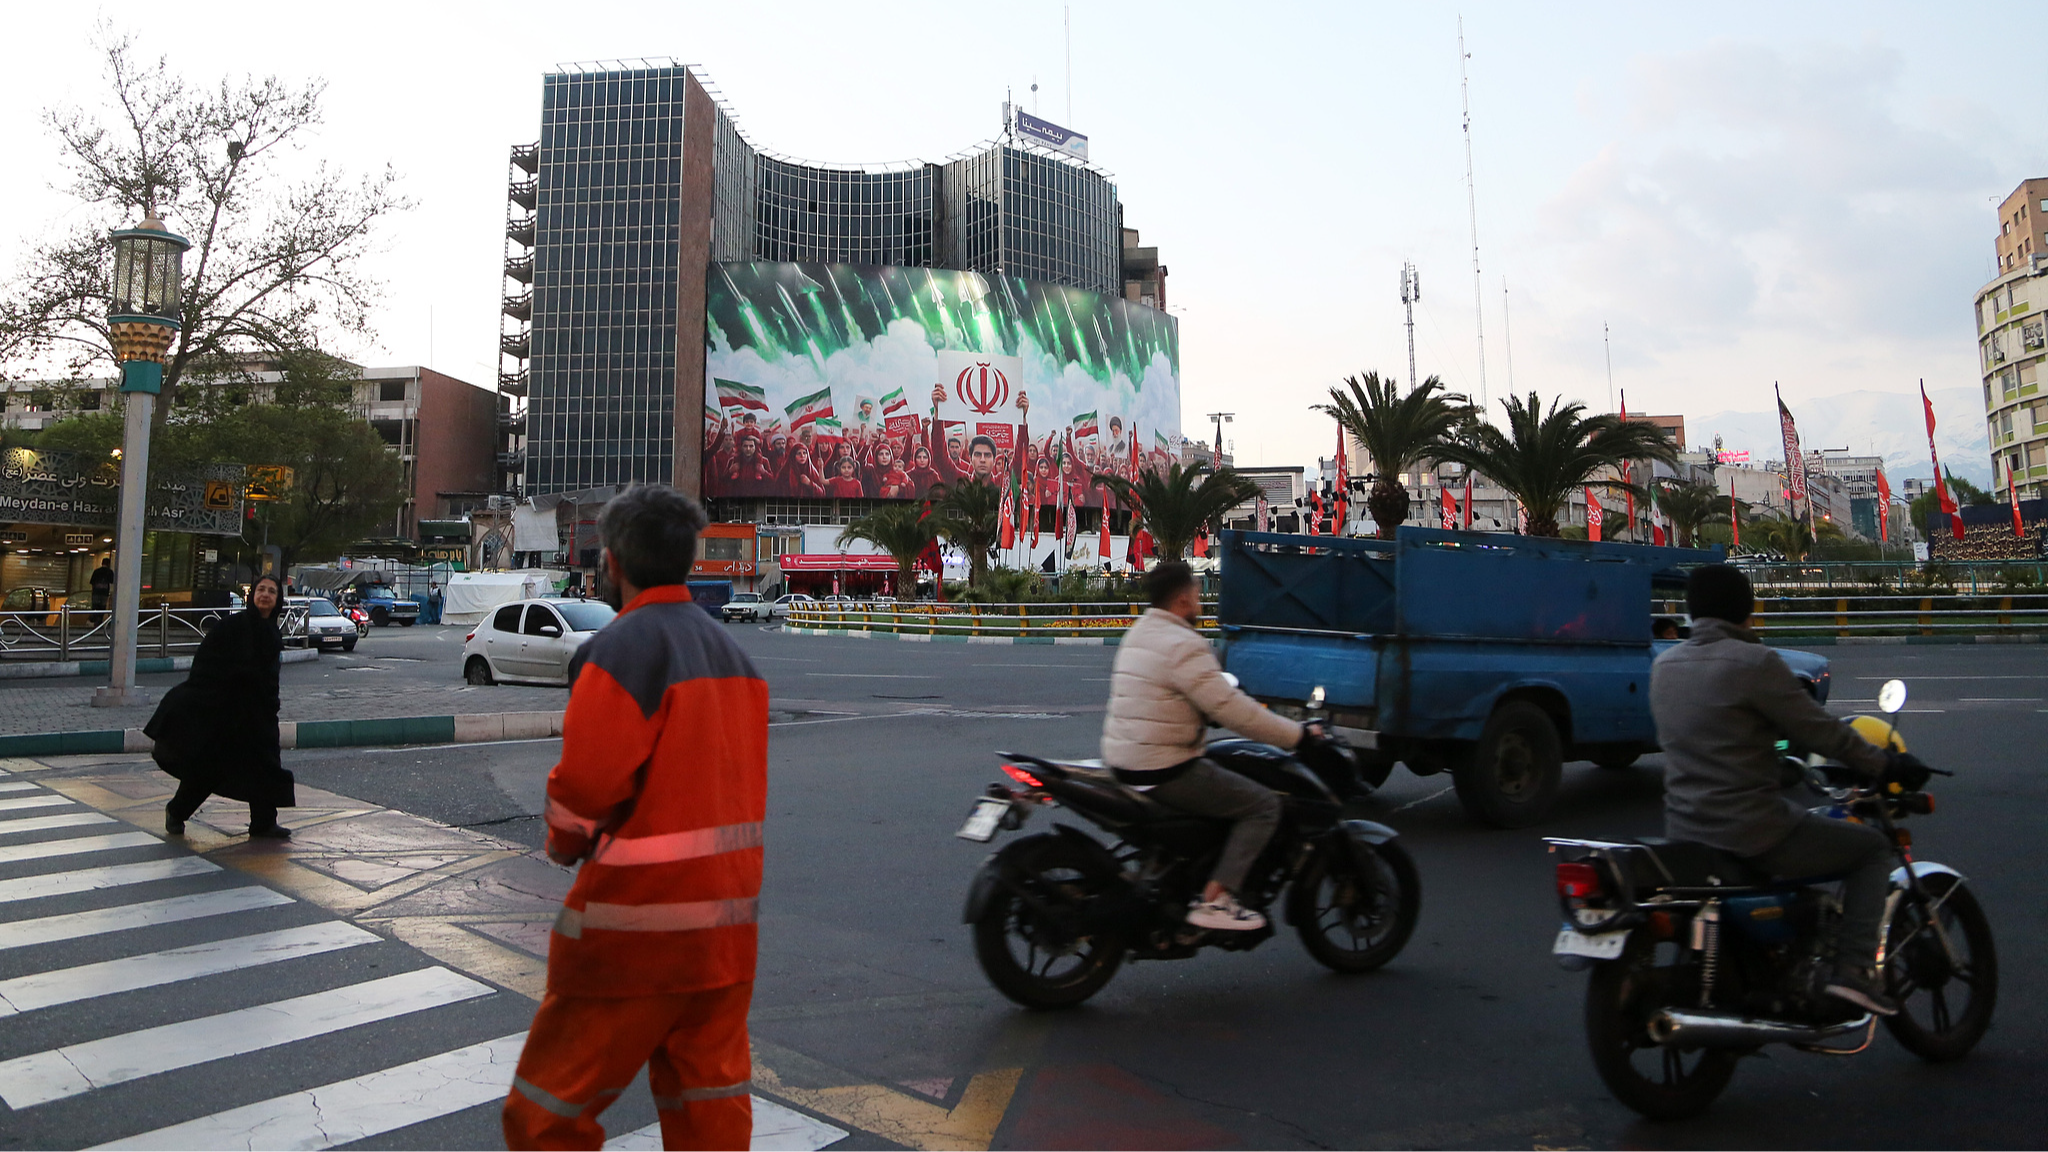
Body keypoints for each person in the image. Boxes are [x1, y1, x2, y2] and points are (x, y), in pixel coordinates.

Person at [504, 484, 768, 1152]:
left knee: (546, 1116)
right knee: (708, 1112)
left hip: (634, 933)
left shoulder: (618, 652)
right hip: (725, 932)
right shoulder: (738, 659)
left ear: (613, 562)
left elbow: (584, 787)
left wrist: (563, 842)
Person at [1650, 564, 1929, 1018]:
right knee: (1873, 850)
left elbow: (1711, 742)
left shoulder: (1665, 665)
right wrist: (1885, 762)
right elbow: (1820, 730)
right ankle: (1854, 972)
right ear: (1747, 610)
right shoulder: (1756, 663)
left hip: (1685, 831)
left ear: (1692, 611)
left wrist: (1776, 767)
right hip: (1752, 831)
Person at [1099, 560, 1310, 931]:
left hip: (1122, 759)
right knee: (1263, 805)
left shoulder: (1141, 631)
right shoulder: (1184, 644)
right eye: (1197, 593)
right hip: (1163, 767)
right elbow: (1235, 712)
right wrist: (1297, 736)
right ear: (1182, 599)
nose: (1199, 600)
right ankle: (1216, 900)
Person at [145, 573, 295, 840]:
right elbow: (206, 663)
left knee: (265, 765)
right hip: (224, 713)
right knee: (209, 769)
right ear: (252, 595)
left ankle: (263, 822)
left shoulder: (271, 631)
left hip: (258, 714)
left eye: (272, 591)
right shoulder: (232, 627)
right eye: (261, 589)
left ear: (278, 600)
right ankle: (177, 811)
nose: (266, 595)